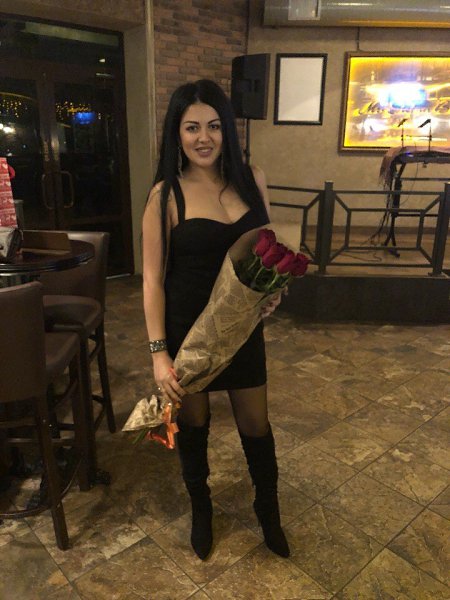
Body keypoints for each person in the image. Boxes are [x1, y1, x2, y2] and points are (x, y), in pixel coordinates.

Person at [142, 79, 290, 560]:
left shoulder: (253, 179)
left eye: (213, 126)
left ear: (227, 128)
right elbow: (151, 281)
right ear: (177, 133)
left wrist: (271, 291)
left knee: (256, 423)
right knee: (195, 422)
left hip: (242, 327)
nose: (203, 137)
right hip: (189, 330)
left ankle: (268, 510)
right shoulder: (166, 195)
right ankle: (201, 508)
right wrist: (159, 354)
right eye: (191, 128)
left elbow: (265, 250)